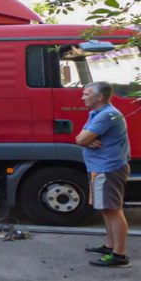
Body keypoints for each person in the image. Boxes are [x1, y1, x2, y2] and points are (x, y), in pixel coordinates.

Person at [75, 81, 131, 268]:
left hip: (108, 169)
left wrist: (86, 140)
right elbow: (80, 138)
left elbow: (82, 138)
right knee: (105, 208)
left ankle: (119, 255)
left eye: (86, 94)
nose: (82, 97)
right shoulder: (97, 113)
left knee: (113, 210)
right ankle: (110, 246)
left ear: (99, 97)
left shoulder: (108, 114)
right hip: (100, 168)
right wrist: (86, 140)